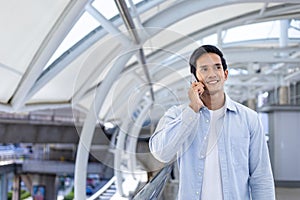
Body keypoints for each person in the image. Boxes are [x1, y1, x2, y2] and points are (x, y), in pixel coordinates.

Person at [149, 44, 275, 200]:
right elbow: (161, 153)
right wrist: (192, 109)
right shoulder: (177, 115)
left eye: (217, 67)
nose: (212, 74)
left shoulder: (249, 119)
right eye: (204, 69)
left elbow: (261, 176)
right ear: (194, 78)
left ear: (226, 74)